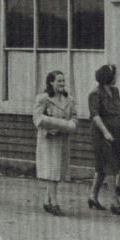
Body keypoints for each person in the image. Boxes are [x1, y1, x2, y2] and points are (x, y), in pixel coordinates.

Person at [33, 71, 77, 215]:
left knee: (57, 171)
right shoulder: (43, 98)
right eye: (59, 81)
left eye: (63, 81)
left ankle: (47, 201)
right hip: (49, 140)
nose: (62, 84)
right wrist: (53, 126)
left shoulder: (69, 99)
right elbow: (37, 119)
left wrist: (71, 124)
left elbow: (74, 117)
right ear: (51, 82)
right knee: (52, 171)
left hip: (63, 139)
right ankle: (54, 203)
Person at [88, 64, 120, 214]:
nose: (116, 77)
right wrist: (105, 132)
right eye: (114, 75)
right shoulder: (95, 94)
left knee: (103, 166)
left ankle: (92, 197)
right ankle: (115, 203)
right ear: (108, 77)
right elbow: (95, 115)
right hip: (101, 134)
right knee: (110, 165)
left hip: (115, 132)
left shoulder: (115, 91)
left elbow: (119, 108)